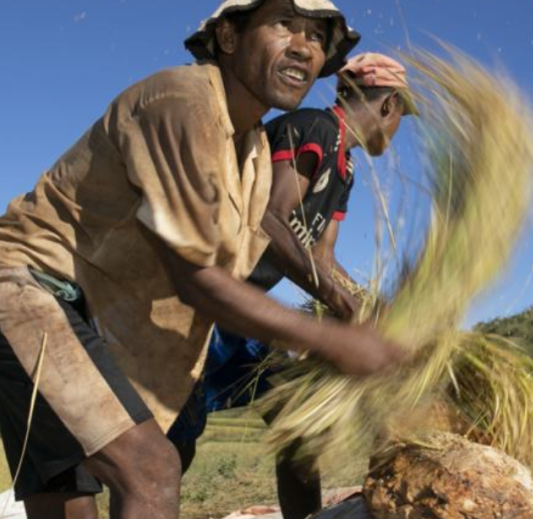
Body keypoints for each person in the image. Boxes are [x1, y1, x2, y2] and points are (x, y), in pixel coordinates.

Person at [0, 1, 405, 518]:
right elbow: (200, 279)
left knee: (73, 492)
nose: (303, 45)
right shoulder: (183, 101)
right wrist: (335, 339)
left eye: (317, 37)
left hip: (93, 316)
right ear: (229, 37)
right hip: (20, 285)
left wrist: (353, 305)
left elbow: (251, 247)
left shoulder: (251, 149)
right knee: (150, 469)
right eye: (283, 25)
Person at [167, 52, 416, 519]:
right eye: (403, 114)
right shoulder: (316, 130)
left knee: (297, 422)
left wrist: (370, 307)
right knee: (171, 440)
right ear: (388, 106)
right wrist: (340, 302)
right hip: (205, 299)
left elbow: (322, 257)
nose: (400, 127)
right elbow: (270, 217)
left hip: (239, 311)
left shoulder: (345, 168)